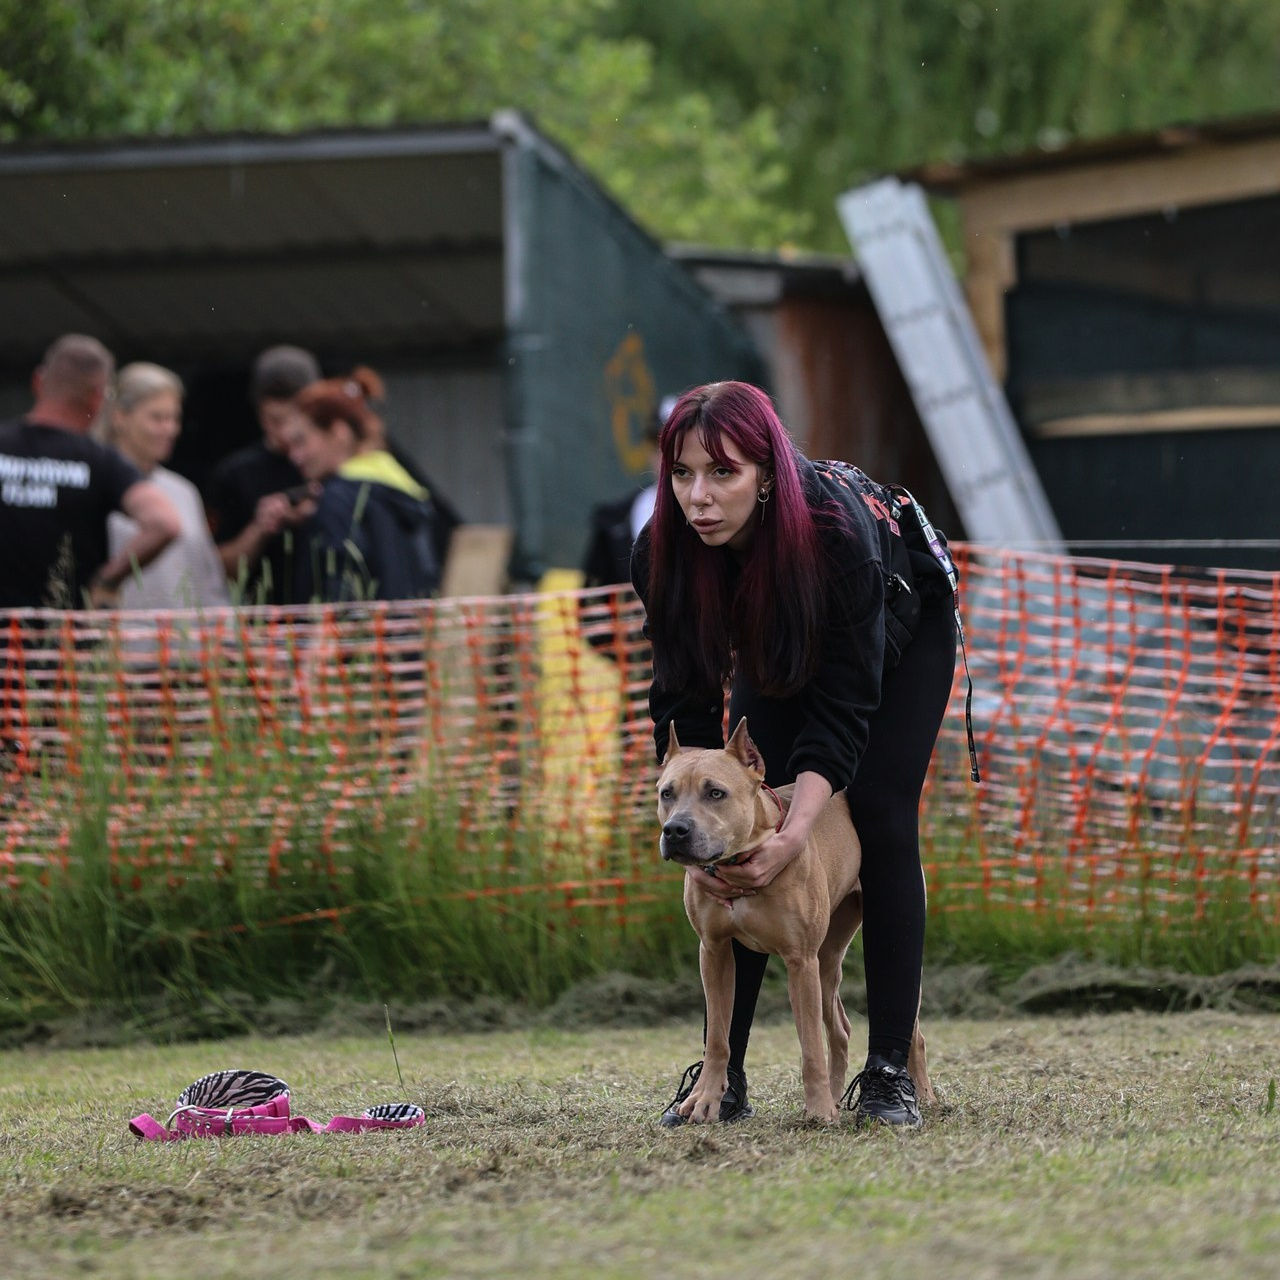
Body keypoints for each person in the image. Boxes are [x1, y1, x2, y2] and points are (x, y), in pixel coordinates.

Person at [632, 380, 959, 1130]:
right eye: (683, 474)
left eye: (723, 472)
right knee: (740, 818)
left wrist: (792, 834)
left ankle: (886, 1074)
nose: (699, 497)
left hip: (899, 631)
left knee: (877, 809)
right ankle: (723, 1076)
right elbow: (682, 700)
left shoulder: (833, 533)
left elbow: (844, 707)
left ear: (768, 473)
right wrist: (716, 833)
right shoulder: (663, 548)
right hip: (777, 635)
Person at [0, 335, 181, 610]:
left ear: (38, 381)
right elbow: (164, 523)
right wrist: (107, 582)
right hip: (69, 640)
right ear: (98, 397)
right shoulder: (100, 461)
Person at [286, 367, 441, 602]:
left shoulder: (338, 498)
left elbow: (337, 591)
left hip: (361, 638)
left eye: (301, 441)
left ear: (339, 432)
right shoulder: (404, 490)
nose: (294, 456)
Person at [103, 362, 229, 610]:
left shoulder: (184, 492)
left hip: (184, 645)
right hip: (118, 643)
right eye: (157, 418)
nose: (170, 429)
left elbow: (209, 582)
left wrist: (224, 639)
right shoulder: (96, 486)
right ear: (120, 417)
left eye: (174, 418)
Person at [204, 345, 320, 604]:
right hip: (261, 625)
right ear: (258, 412)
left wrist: (319, 513)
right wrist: (260, 528)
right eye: (274, 420)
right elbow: (217, 570)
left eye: (294, 420)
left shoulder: (335, 467)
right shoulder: (235, 474)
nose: (286, 432)